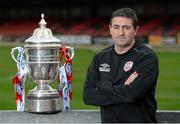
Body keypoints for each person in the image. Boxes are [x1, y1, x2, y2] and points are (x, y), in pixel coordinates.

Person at [83, 7, 159, 123]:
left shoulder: (146, 57)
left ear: (135, 30)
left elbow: (131, 95)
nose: (121, 33)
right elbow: (88, 96)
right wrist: (123, 89)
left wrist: (102, 86)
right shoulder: (100, 57)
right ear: (110, 29)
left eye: (126, 28)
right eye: (116, 27)